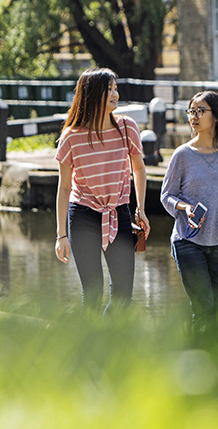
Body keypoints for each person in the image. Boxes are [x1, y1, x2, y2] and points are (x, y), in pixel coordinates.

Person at [54, 68, 149, 313]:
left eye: (116, 89)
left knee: (123, 292)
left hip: (119, 212)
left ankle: (108, 342)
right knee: (93, 290)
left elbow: (138, 168)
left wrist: (141, 208)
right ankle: (92, 345)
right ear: (93, 94)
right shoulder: (71, 137)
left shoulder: (127, 127)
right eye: (109, 90)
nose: (115, 95)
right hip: (83, 214)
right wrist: (61, 236)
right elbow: (64, 188)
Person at [160, 91, 218, 323]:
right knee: (203, 309)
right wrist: (185, 207)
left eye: (201, 111)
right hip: (187, 241)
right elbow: (166, 195)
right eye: (191, 111)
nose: (194, 116)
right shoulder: (182, 155)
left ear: (217, 116)